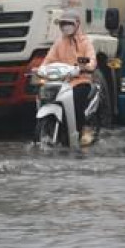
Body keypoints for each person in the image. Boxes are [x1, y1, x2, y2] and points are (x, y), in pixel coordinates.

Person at [42, 9, 97, 146]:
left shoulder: (85, 42)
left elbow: (91, 60)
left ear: (77, 24)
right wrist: (41, 69)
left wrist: (85, 67)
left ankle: (82, 130)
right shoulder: (59, 43)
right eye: (63, 23)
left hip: (81, 81)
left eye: (69, 23)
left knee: (77, 102)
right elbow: (48, 59)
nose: (66, 26)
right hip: (61, 82)